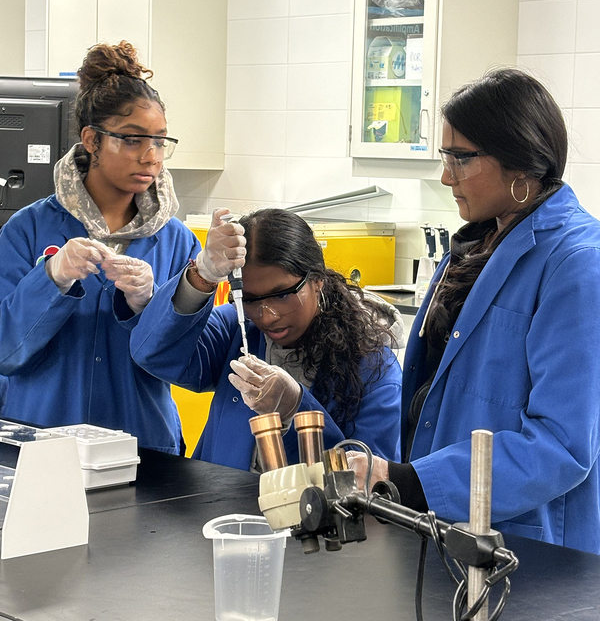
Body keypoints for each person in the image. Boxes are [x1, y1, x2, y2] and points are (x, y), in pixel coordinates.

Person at [346, 68, 600, 554]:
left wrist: (413, 482)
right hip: (445, 526)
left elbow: (561, 446)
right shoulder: (476, 246)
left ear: (520, 162)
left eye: (461, 159)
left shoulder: (577, 263)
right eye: (446, 157)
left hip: (524, 546)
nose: (447, 176)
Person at [0, 41, 201, 453]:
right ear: (92, 140)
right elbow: (5, 350)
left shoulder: (178, 241)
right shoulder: (27, 229)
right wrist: (51, 278)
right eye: (132, 140)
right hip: (41, 442)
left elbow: (188, 362)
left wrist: (149, 304)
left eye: (160, 141)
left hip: (143, 444)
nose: (151, 157)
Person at [131, 207, 404, 469]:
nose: (267, 316)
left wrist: (295, 408)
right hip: (221, 499)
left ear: (317, 279)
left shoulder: (374, 368)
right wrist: (201, 275)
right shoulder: (238, 329)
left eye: (282, 295)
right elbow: (156, 355)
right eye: (251, 300)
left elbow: (370, 479)